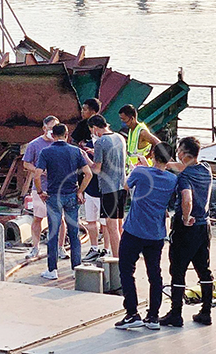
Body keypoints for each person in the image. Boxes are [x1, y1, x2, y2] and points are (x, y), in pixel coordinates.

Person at [114, 143, 179, 330]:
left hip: (134, 230)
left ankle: (132, 313)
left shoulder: (140, 172)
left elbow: (125, 186)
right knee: (154, 274)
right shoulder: (172, 180)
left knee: (126, 270)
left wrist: (140, 167)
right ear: (169, 158)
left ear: (152, 155)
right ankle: (153, 316)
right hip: (156, 233)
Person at [161, 137, 213, 328]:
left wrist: (185, 217)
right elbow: (183, 166)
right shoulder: (205, 168)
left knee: (178, 269)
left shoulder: (184, 177)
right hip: (204, 226)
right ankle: (206, 312)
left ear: (182, 153)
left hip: (187, 227)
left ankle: (176, 313)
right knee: (204, 270)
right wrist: (167, 165)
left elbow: (187, 199)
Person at [34, 123, 93, 280]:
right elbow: (88, 174)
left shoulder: (46, 152)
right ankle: (76, 268)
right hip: (71, 194)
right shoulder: (75, 151)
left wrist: (40, 192)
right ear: (66, 135)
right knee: (74, 233)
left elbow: (36, 175)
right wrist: (80, 191)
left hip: (53, 195)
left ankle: (52, 270)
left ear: (53, 136)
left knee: (53, 233)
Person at [21, 116, 66, 260]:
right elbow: (26, 163)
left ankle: (60, 247)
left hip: (57, 187)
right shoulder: (34, 144)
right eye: (51, 128)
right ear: (44, 128)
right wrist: (39, 171)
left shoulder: (60, 144)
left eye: (56, 128)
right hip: (40, 186)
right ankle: (35, 247)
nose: (53, 131)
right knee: (38, 218)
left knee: (60, 219)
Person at [88, 114, 128, 258]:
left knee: (112, 228)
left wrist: (87, 158)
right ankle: (124, 255)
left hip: (108, 189)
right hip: (121, 185)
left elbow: (96, 169)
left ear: (95, 128)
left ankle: (117, 260)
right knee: (119, 225)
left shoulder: (100, 142)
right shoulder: (120, 137)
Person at [71, 99, 106, 261]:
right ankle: (94, 247)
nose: (82, 112)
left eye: (85, 109)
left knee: (106, 222)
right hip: (89, 182)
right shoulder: (81, 127)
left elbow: (98, 167)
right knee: (91, 218)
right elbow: (74, 143)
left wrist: (89, 153)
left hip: (103, 185)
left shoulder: (106, 141)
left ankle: (106, 248)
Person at [118, 104, 160, 170]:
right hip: (132, 168)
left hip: (142, 169)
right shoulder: (131, 130)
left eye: (124, 120)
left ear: (132, 118)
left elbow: (158, 143)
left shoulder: (142, 132)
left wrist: (148, 156)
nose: (123, 123)